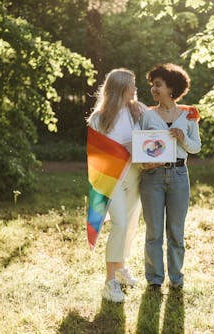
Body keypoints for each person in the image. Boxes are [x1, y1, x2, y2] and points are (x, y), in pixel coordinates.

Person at [139, 63, 201, 290]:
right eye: (152, 85)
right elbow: (139, 145)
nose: (154, 89)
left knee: (176, 231)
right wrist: (144, 162)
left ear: (171, 88)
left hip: (178, 175)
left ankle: (176, 279)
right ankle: (154, 279)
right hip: (152, 177)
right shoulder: (146, 115)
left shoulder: (188, 115)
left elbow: (196, 148)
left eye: (158, 85)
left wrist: (182, 137)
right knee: (153, 231)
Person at [87, 68, 145, 302]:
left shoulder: (137, 111)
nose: (135, 88)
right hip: (111, 178)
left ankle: (120, 268)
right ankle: (109, 281)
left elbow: (157, 122)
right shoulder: (98, 118)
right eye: (132, 84)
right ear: (121, 87)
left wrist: (186, 114)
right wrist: (124, 149)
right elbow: (97, 153)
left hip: (135, 174)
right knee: (119, 223)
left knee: (130, 223)